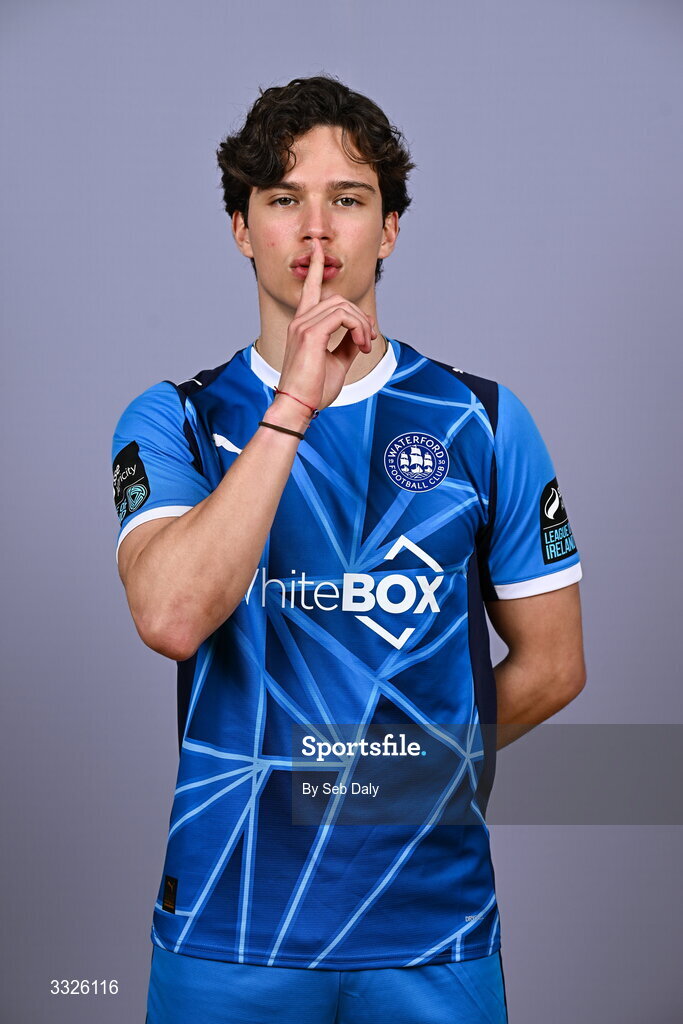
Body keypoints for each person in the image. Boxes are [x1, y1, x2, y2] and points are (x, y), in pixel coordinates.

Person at [111, 74, 586, 1024]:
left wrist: (397, 778)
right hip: (227, 923)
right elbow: (171, 618)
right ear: (244, 229)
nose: (316, 232)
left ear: (391, 228)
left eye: (348, 200)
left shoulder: (481, 421)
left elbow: (553, 665)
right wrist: (293, 405)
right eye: (284, 200)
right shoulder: (177, 419)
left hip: (431, 928)